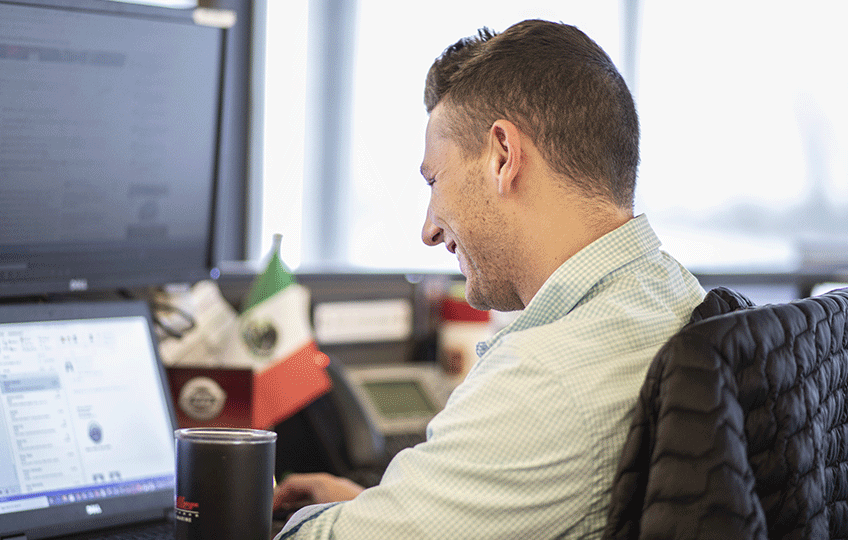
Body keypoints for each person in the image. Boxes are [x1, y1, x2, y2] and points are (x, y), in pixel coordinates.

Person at [273, 19, 705, 539]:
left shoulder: (545, 375)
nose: (429, 229)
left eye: (435, 180)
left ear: (503, 156)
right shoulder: (678, 295)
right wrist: (384, 506)